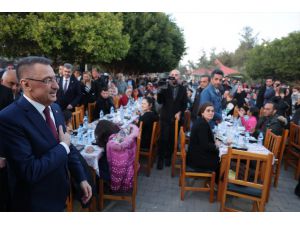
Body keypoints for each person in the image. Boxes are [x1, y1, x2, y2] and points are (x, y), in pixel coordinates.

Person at [0, 56, 92, 211]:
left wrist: (81, 177)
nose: (56, 86)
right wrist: (63, 146)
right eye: (47, 80)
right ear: (26, 84)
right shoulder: (9, 118)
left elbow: (69, 147)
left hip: (60, 196)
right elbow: (30, 171)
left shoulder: (55, 109)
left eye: (55, 78)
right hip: (34, 204)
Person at [94, 120, 139, 191]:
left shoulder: (111, 144)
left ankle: (96, 188)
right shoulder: (120, 135)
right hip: (128, 167)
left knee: (94, 164)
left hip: (114, 173)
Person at [156, 69, 187, 169]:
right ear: (169, 76)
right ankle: (160, 159)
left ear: (179, 77)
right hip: (165, 117)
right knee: (163, 139)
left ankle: (168, 157)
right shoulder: (164, 86)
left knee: (172, 140)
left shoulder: (183, 89)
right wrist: (160, 89)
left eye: (176, 75)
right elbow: (160, 101)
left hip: (176, 119)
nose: (174, 76)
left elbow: (184, 105)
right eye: (172, 75)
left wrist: (180, 112)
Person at [186, 103, 220, 175]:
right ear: (202, 113)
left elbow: (203, 141)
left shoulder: (201, 121)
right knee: (222, 160)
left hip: (195, 155)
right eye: (208, 111)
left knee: (220, 157)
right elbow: (205, 145)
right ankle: (216, 183)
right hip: (197, 160)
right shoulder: (202, 124)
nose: (211, 112)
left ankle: (216, 181)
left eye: (212, 111)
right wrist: (216, 145)